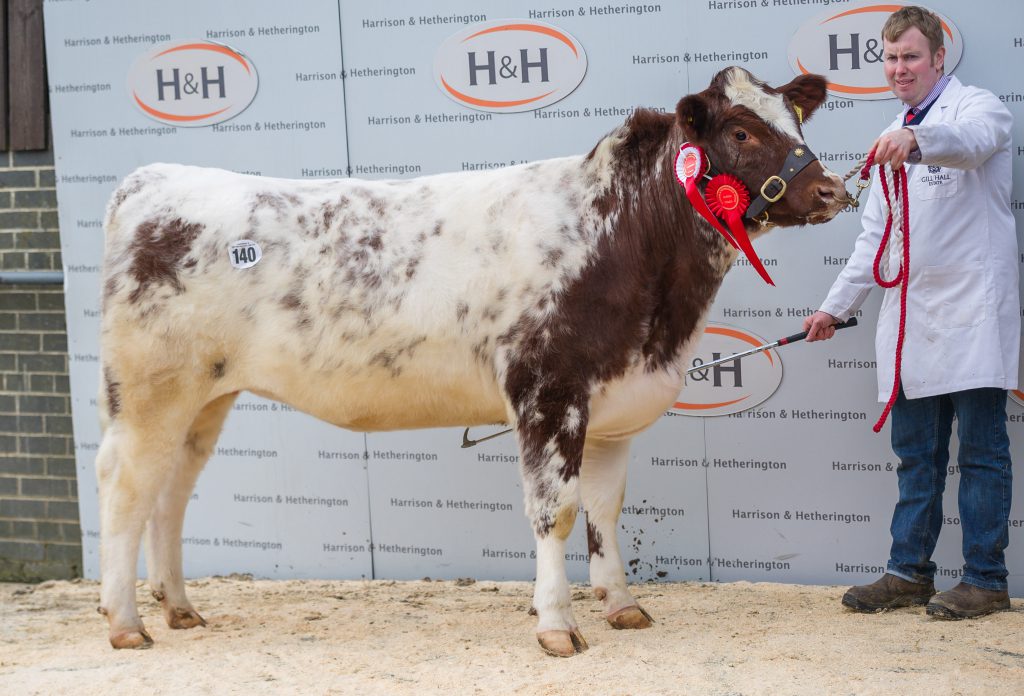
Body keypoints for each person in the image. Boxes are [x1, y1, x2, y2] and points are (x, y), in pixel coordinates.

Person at [804, 5, 1018, 619]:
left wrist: (918, 138)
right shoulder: (889, 136)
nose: (900, 68)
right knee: (916, 456)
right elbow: (874, 240)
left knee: (981, 453)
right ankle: (907, 573)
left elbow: (974, 146)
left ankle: (986, 579)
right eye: (891, 58)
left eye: (911, 57)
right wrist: (832, 309)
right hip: (910, 322)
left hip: (973, 313)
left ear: (938, 59)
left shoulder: (978, 109)